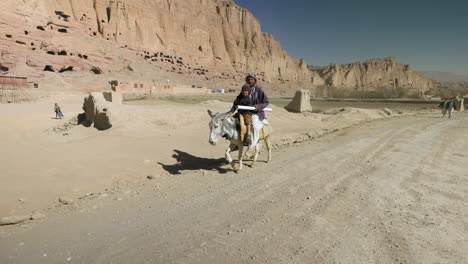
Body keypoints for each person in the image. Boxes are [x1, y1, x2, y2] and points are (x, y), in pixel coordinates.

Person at [230, 73, 270, 144]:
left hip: (255, 113)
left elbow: (266, 102)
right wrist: (231, 111)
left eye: (251, 79)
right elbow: (236, 102)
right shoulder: (244, 90)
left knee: (254, 126)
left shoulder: (259, 91)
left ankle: (252, 144)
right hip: (243, 112)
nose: (250, 81)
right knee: (232, 121)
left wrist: (258, 106)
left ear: (255, 81)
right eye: (248, 80)